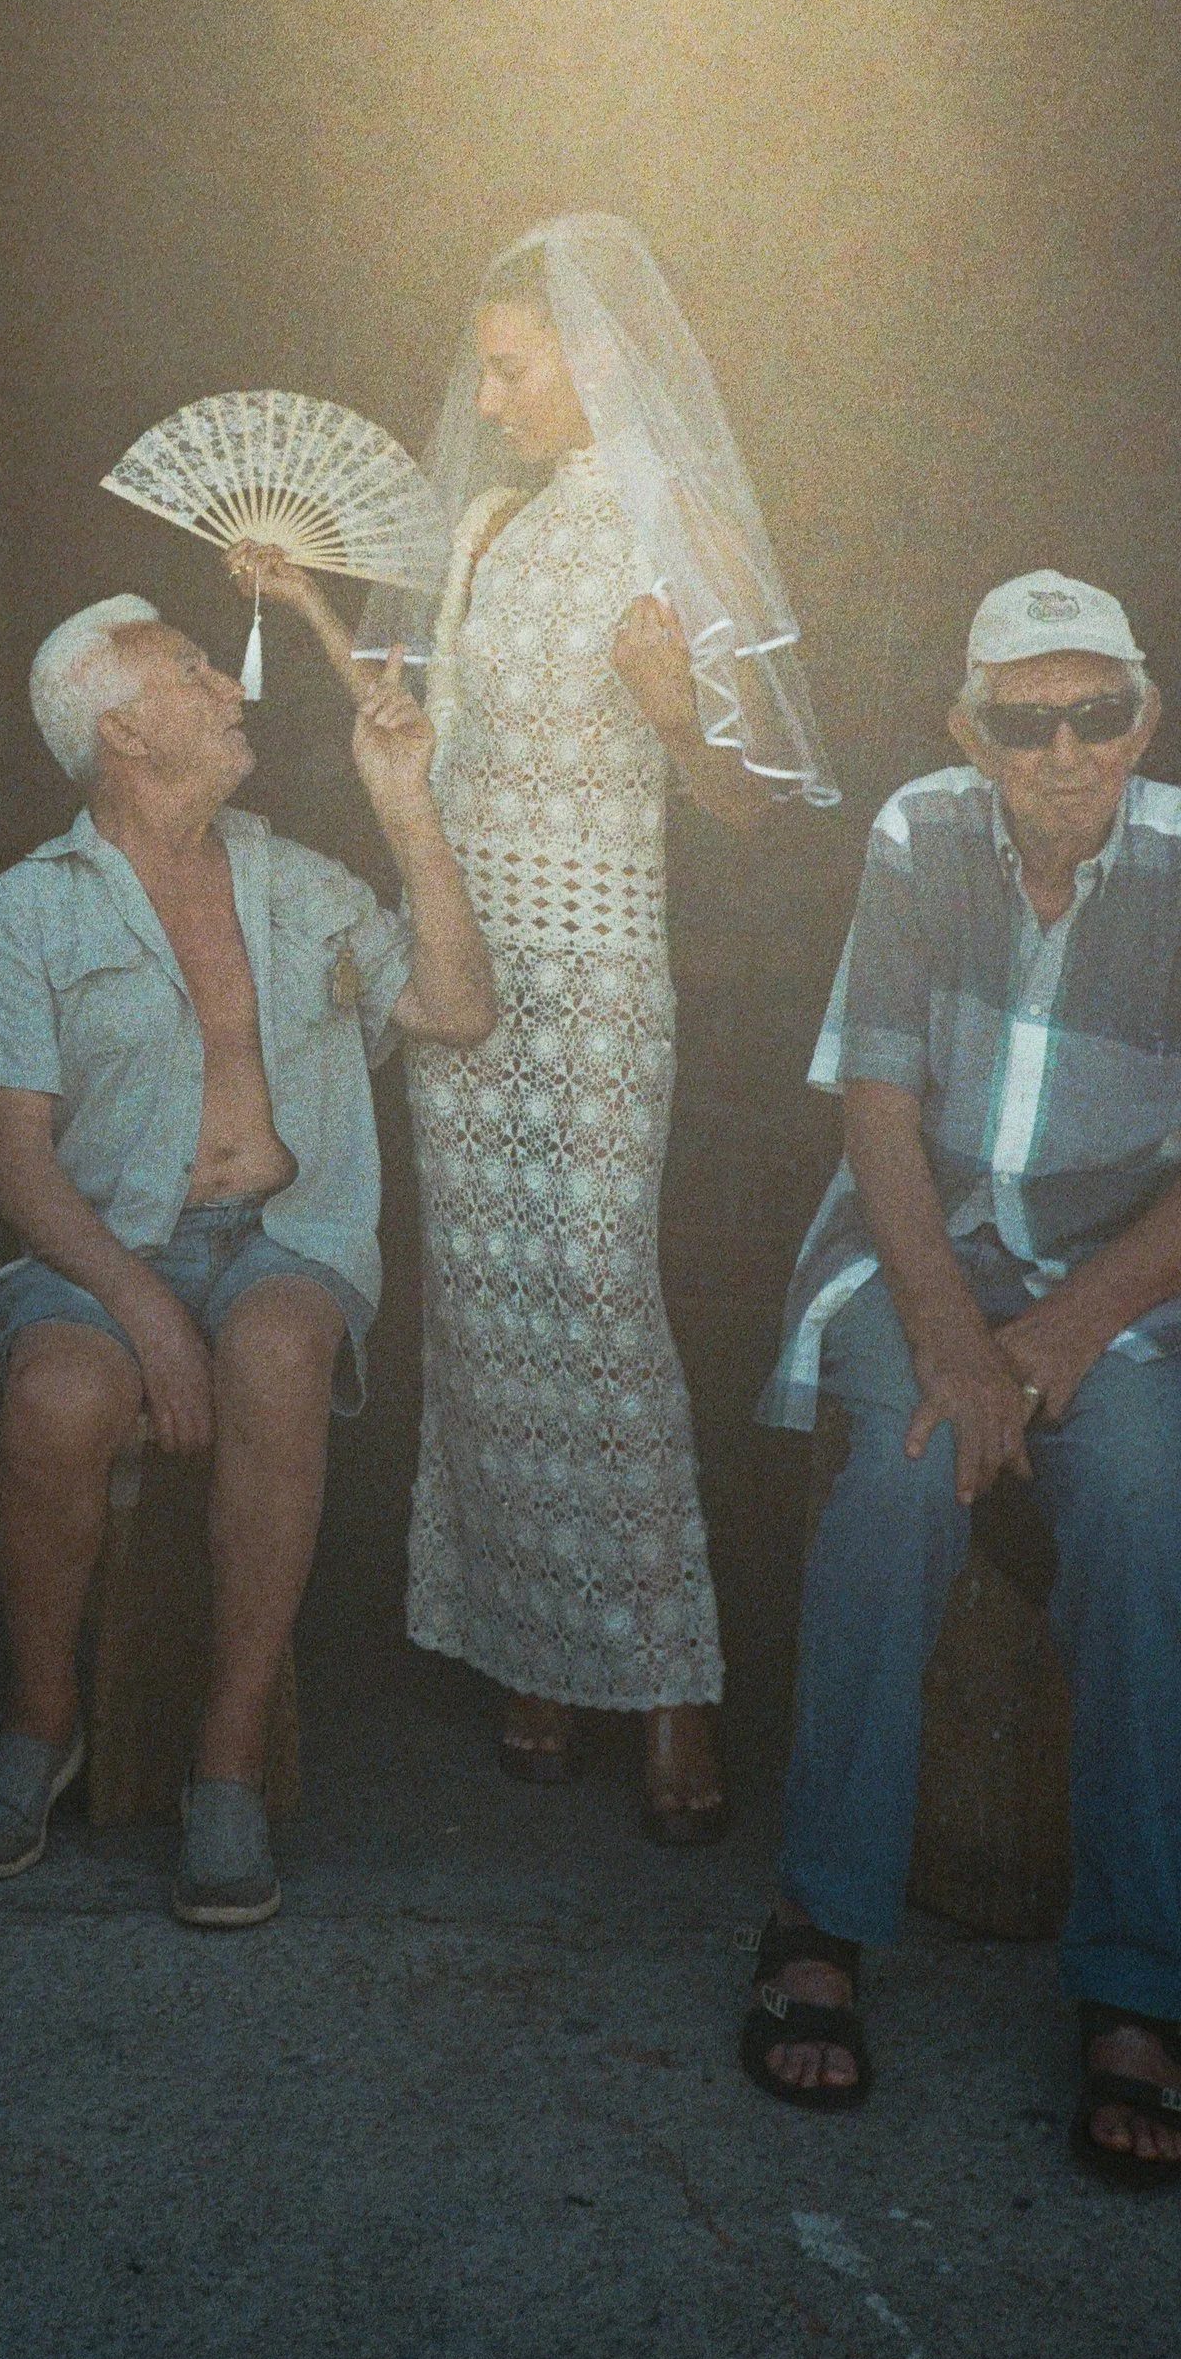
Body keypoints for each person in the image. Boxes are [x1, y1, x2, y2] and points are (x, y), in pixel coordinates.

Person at [742, 573, 1181, 2188]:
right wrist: (950, 1332)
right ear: (970, 729)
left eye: (1096, 713)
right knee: (897, 1490)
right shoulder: (918, 834)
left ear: (1145, 718)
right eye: (1025, 719)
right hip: (920, 1254)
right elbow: (874, 1096)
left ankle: (1138, 1989)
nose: (1064, 750)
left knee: (1144, 1530)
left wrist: (1060, 1337)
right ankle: (820, 1923)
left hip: (1118, 1284)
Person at [260, 214, 832, 1837]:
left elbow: (751, 802)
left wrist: (673, 712)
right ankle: (531, 1649)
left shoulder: (677, 521)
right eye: (488, 373)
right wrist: (308, 606)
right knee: (485, 1302)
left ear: (595, 359)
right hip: (457, 950)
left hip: (595, 965)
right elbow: (418, 734)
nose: (489, 400)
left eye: (511, 370)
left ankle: (666, 1679)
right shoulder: (482, 525)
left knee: (595, 1291)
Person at [0, 593, 496, 1927]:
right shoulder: (31, 908)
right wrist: (144, 1312)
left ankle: (226, 1756)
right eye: (194, 671)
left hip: (282, 1237)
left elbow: (458, 1007)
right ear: (125, 733)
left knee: (279, 1353)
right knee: (57, 1400)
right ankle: (42, 1717)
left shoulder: (298, 879)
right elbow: (17, 1172)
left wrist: (406, 806)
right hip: (105, 1247)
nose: (233, 689)